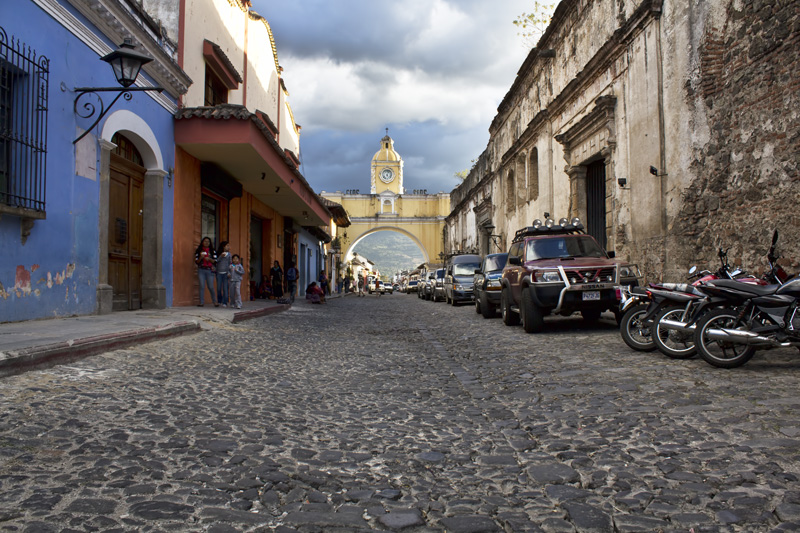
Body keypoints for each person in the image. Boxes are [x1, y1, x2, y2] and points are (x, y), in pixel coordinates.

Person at [194, 237, 218, 307]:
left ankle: (214, 301)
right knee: (202, 286)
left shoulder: (212, 251)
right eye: (205, 241)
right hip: (201, 270)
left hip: (210, 270)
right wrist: (201, 257)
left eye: (208, 241)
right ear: (202, 242)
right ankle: (201, 302)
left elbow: (215, 261)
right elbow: (196, 262)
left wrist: (209, 259)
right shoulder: (199, 251)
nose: (206, 243)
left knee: (210, 286)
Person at [215, 241, 231, 307]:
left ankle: (225, 302)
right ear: (223, 246)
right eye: (227, 245)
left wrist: (229, 272)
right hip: (219, 273)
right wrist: (220, 256)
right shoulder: (218, 253)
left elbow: (230, 263)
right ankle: (219, 301)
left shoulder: (229, 254)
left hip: (225, 273)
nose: (228, 247)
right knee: (218, 288)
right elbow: (216, 261)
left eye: (229, 245)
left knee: (225, 288)